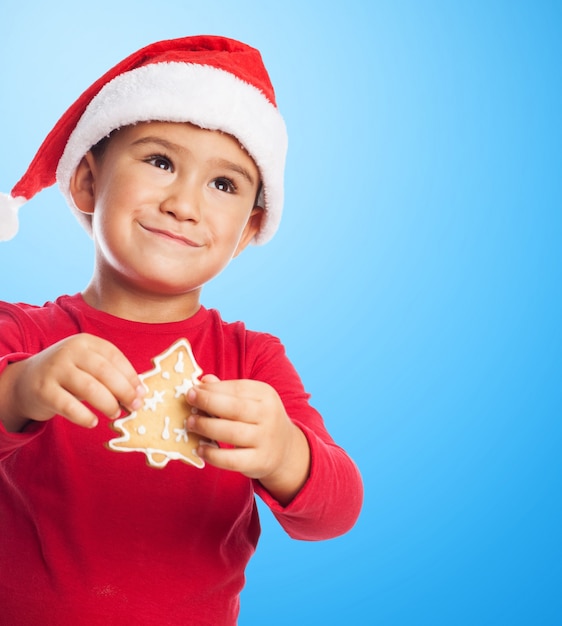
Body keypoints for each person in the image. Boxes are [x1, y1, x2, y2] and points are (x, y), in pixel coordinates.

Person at [0, 36, 363, 625]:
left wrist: (283, 453)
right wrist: (18, 390)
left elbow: (336, 512)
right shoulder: (22, 334)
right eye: (160, 161)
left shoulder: (252, 361)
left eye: (224, 185)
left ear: (249, 230)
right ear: (88, 183)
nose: (184, 204)